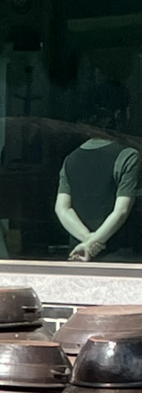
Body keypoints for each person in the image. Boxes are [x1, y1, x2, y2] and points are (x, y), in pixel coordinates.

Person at [55, 84, 139, 263]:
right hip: (119, 256)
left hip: (78, 253)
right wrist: (93, 243)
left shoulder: (71, 159)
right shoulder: (129, 156)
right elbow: (122, 210)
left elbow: (62, 208)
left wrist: (86, 241)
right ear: (120, 113)